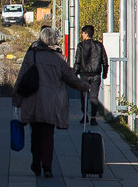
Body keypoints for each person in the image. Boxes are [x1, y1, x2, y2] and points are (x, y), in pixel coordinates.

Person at [12, 26, 90, 177]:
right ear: (54, 40)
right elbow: (71, 79)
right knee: (48, 134)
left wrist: (16, 99)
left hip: (33, 101)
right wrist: (84, 86)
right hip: (51, 103)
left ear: (40, 39)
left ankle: (36, 163)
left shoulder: (31, 56)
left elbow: (21, 78)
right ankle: (47, 167)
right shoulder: (60, 59)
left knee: (35, 134)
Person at [73, 24, 108, 124]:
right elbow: (104, 60)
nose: (82, 35)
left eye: (83, 33)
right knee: (94, 97)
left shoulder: (81, 46)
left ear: (86, 33)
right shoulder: (99, 45)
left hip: (84, 75)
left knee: (84, 96)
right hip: (96, 74)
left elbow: (78, 61)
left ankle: (85, 116)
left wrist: (75, 73)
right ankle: (93, 117)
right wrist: (104, 73)